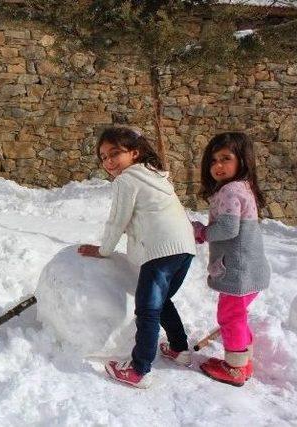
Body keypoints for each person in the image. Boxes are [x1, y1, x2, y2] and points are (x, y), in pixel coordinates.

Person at [79, 127, 196, 388]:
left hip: (160, 251)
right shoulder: (155, 175)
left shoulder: (126, 180)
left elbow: (117, 221)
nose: (109, 161)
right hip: (184, 248)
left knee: (147, 310)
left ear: (135, 152)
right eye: (103, 157)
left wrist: (103, 250)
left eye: (115, 154)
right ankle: (179, 349)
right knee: (163, 301)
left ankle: (139, 369)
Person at [192, 132, 270, 387]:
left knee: (230, 316)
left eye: (226, 158)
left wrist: (202, 232)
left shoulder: (230, 190)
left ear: (243, 160)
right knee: (238, 315)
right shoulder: (243, 186)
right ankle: (241, 361)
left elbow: (227, 229)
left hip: (238, 270)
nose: (218, 166)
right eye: (213, 160)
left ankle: (235, 368)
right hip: (251, 269)